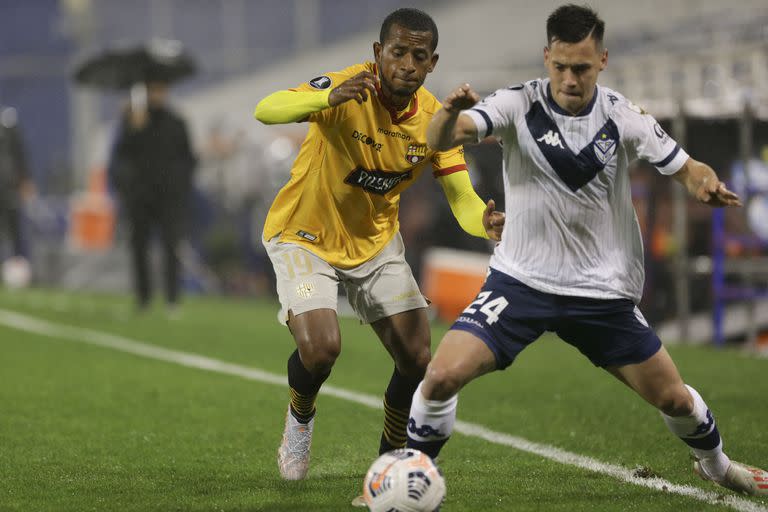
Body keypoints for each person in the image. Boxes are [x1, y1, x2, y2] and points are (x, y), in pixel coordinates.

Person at [405, 3, 768, 498]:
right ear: (546, 57)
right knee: (442, 375)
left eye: (581, 67)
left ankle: (718, 466)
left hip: (600, 291)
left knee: (675, 400)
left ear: (602, 60)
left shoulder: (622, 116)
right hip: (521, 283)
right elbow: (442, 138)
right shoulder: (517, 104)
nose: (570, 79)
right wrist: (448, 113)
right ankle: (413, 478)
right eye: (560, 67)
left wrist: (704, 183)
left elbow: (687, 166)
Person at [253, 7, 504, 489]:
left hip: (374, 243)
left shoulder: (435, 120)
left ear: (432, 63)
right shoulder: (347, 88)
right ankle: (300, 420)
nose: (407, 64)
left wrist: (485, 223)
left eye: (419, 56)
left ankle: (389, 462)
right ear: (378, 54)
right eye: (398, 52)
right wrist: (322, 96)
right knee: (323, 349)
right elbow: (266, 109)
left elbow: (462, 197)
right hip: (304, 234)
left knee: (416, 356)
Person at [109, 82, 196, 313]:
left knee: (171, 247)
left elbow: (188, 159)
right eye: (153, 89)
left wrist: (180, 187)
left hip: (169, 196)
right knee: (139, 246)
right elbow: (120, 156)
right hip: (139, 196)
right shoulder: (133, 120)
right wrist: (131, 127)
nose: (158, 94)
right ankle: (143, 298)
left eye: (161, 89)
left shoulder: (176, 122)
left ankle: (172, 299)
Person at [0, 106, 34, 261]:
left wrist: (24, 180)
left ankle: (19, 264)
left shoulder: (8, 125)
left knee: (15, 229)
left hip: (9, 188)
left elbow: (20, 154)